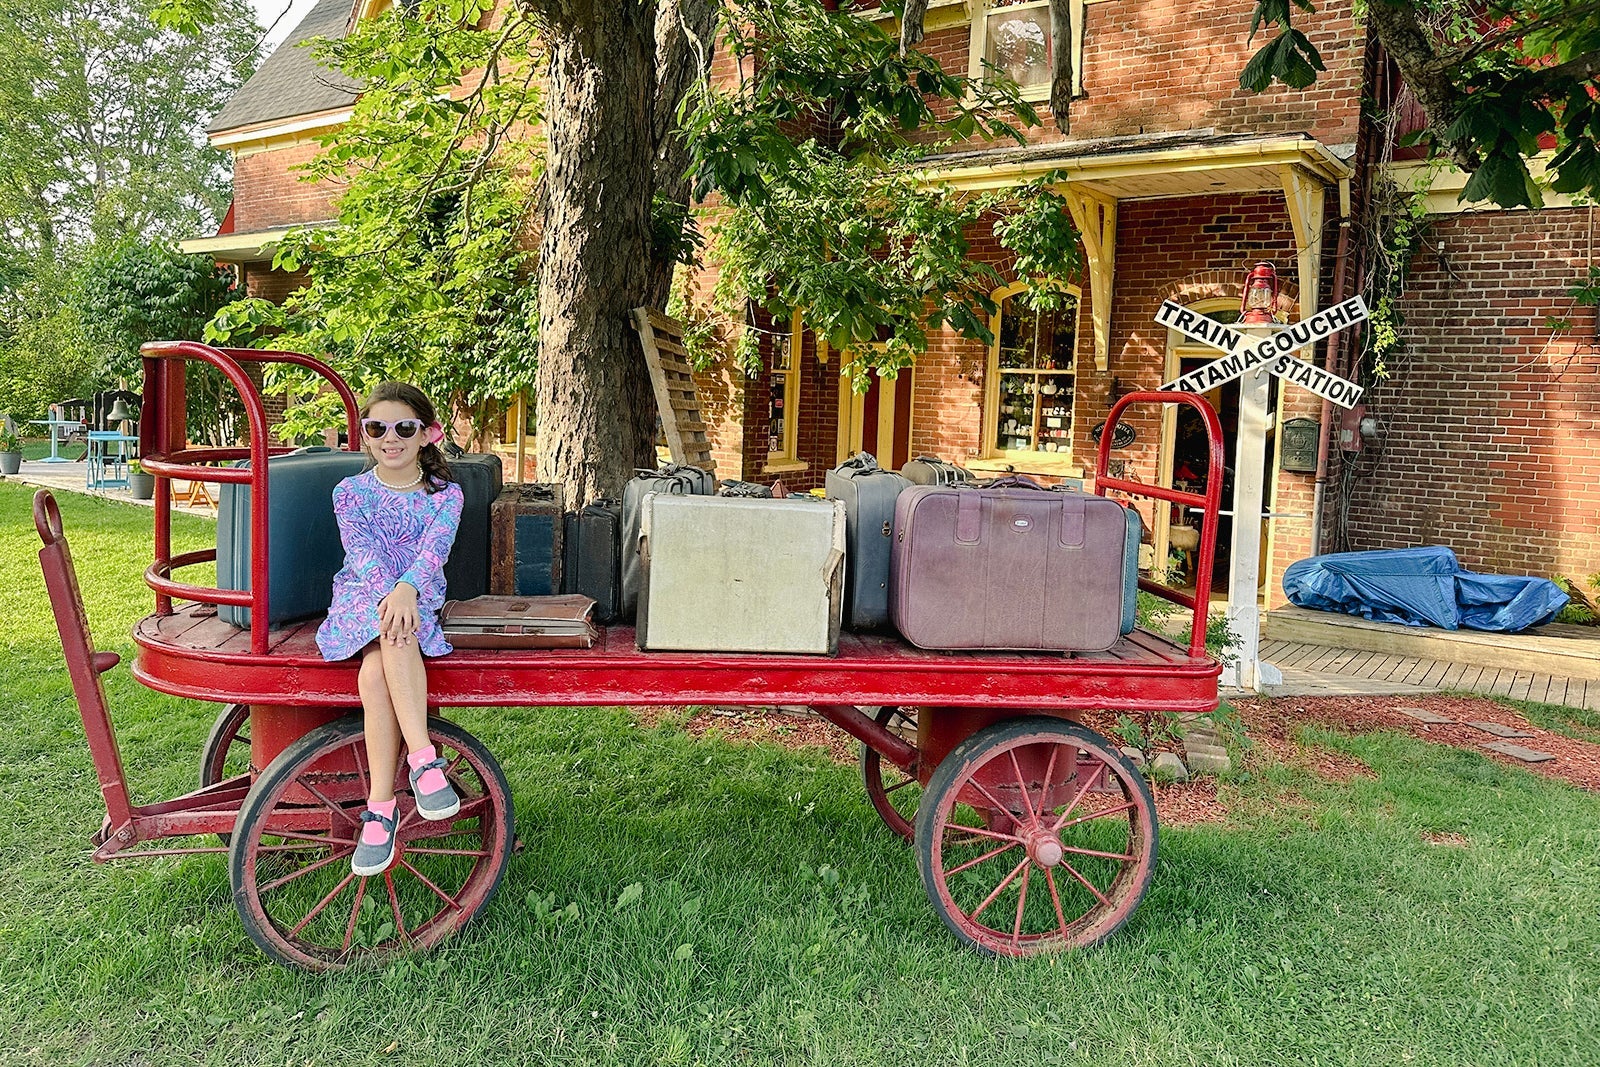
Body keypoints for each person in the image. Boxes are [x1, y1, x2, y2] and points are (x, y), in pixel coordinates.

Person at [316, 382, 465, 877]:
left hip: (419, 593)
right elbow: (360, 554)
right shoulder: (350, 493)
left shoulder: (447, 495)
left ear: (428, 434)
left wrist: (408, 591)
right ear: (364, 435)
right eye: (377, 428)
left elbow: (433, 553)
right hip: (363, 593)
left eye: (404, 428)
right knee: (392, 631)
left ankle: (381, 808)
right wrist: (390, 594)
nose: (390, 438)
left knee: (380, 666)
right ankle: (423, 762)